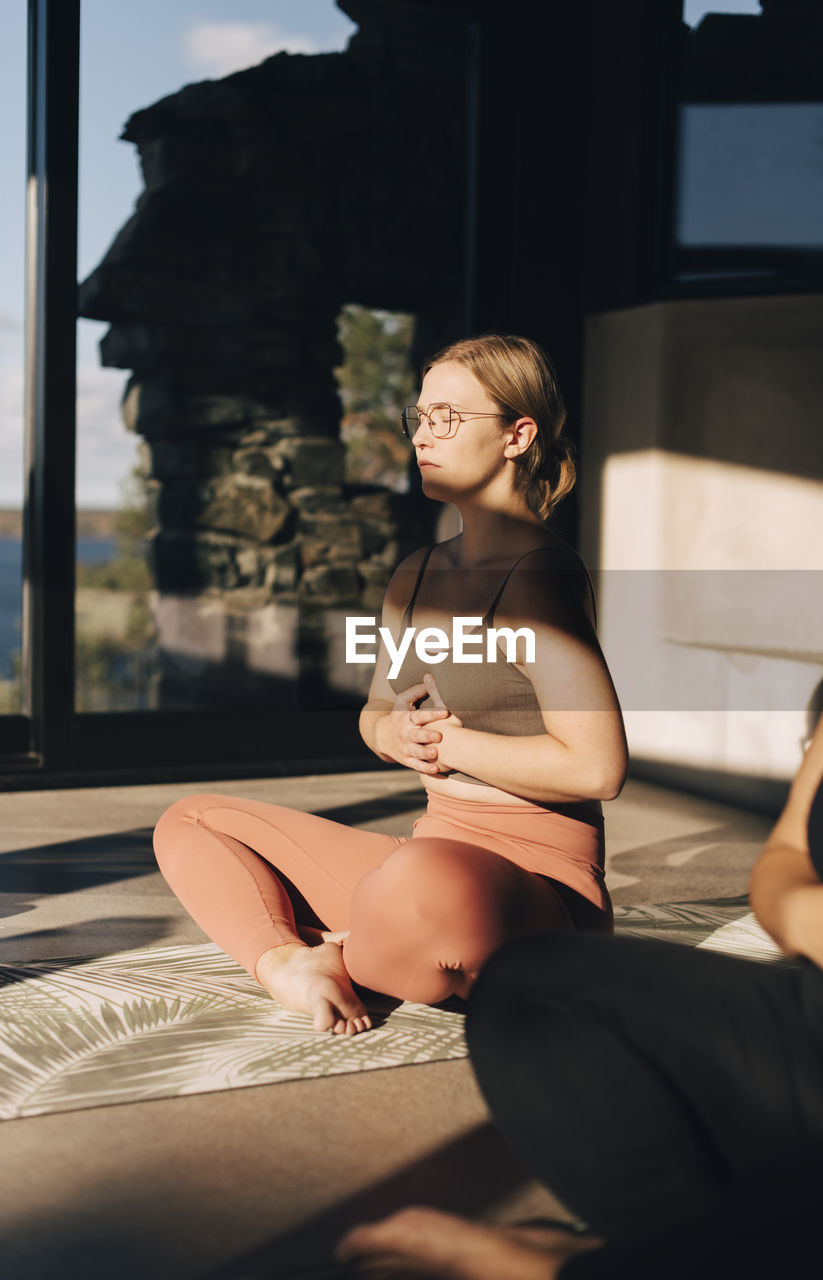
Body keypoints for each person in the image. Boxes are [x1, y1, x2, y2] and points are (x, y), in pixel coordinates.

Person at [152, 334, 627, 1035]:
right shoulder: (416, 573)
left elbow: (596, 766)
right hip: (430, 850)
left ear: (516, 435)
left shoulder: (536, 577)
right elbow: (376, 709)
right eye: (419, 417)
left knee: (419, 883)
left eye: (448, 418)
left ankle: (363, 941)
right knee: (190, 822)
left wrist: (450, 743)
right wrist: (394, 733)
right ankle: (292, 962)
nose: (422, 436)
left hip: (533, 887)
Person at [336, 664, 823, 1278]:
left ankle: (594, 1268)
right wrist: (804, 910)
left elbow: (597, 769)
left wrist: (441, 743)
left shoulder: (542, 600)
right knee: (527, 992)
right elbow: (786, 856)